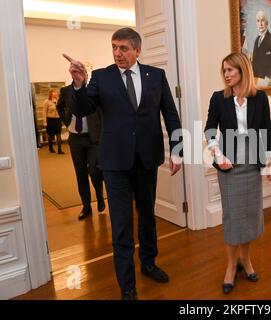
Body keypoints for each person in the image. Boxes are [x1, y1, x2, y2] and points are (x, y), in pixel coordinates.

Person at [66, 27, 183, 300]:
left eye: (123, 48)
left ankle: (149, 263)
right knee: (121, 225)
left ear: (137, 50)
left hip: (147, 159)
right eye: (114, 47)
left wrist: (177, 150)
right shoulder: (102, 77)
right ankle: (127, 286)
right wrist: (79, 84)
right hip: (114, 163)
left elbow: (171, 114)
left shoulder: (156, 76)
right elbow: (82, 109)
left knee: (147, 217)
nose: (117, 53)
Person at [204, 52, 271, 294]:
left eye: (230, 70)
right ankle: (230, 265)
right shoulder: (219, 98)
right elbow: (209, 130)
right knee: (233, 216)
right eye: (223, 71)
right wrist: (217, 155)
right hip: (229, 164)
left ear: (242, 71)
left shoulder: (260, 98)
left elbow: (266, 127)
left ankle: (246, 260)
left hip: (252, 162)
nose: (226, 75)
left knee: (249, 213)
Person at [57, 85, 105, 221]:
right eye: (75, 72)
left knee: (95, 171)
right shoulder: (66, 91)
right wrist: (66, 121)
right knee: (80, 174)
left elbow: (102, 111)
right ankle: (86, 207)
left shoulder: (93, 89)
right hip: (75, 139)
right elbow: (59, 106)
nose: (78, 75)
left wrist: (101, 132)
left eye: (80, 72)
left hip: (93, 139)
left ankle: (100, 197)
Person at [252, 10, 271, 86]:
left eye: (263, 20)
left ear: (267, 22)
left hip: (267, 82)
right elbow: (254, 63)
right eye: (258, 21)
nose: (260, 24)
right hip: (256, 83)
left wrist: (267, 82)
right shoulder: (256, 41)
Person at [43, 89, 64, 154]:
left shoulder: (59, 100)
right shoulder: (47, 101)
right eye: (54, 92)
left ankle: (59, 149)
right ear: (51, 93)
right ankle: (50, 147)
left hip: (58, 120)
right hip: (50, 120)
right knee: (51, 135)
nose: (56, 93)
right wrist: (45, 121)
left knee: (58, 134)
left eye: (56, 92)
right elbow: (44, 112)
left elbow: (62, 110)